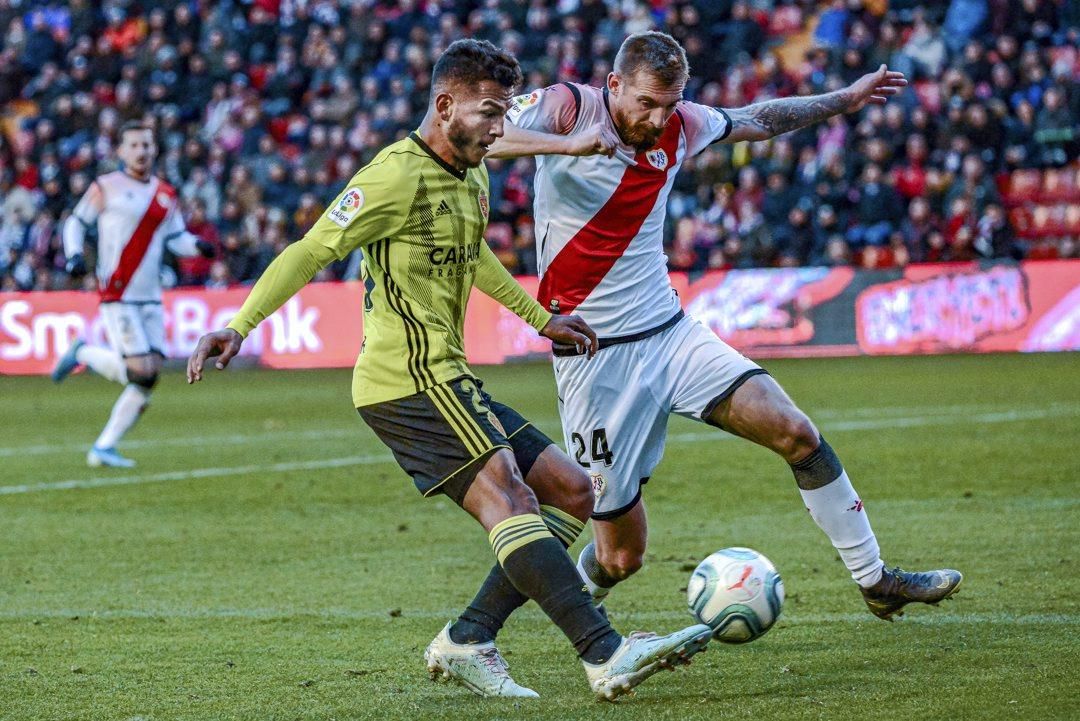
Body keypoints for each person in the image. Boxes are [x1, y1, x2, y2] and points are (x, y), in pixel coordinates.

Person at [185, 40, 711, 702]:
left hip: (447, 377)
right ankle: (604, 651)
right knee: (512, 499)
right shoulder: (393, 176)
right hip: (405, 381)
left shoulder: (472, 173)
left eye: (504, 116)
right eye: (491, 114)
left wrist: (539, 316)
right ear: (444, 105)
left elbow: (475, 258)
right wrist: (238, 326)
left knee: (574, 490)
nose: (501, 130)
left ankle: (468, 637)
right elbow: (312, 248)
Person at [473, 31, 962, 629]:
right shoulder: (567, 106)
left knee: (796, 432)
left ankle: (876, 579)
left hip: (671, 334)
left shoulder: (685, 125)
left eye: (671, 103)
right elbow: (483, 135)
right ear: (616, 85)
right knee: (621, 557)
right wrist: (569, 145)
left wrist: (844, 99)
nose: (658, 118)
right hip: (594, 357)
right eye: (647, 103)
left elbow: (762, 117)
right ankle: (548, 610)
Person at [52, 120, 215, 468]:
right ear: (121, 151)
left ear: (154, 149)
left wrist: (198, 246)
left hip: (151, 296)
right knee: (142, 372)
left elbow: (175, 238)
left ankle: (103, 448)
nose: (141, 151)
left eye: (146, 145)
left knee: (148, 375)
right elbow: (75, 223)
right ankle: (85, 353)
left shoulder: (165, 193)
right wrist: (74, 255)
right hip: (118, 293)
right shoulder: (106, 186)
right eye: (134, 145)